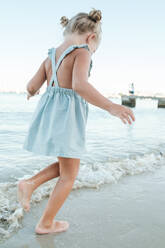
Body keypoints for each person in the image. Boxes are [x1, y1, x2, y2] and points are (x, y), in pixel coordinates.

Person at [17, 8, 135, 235]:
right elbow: (80, 86)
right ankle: (45, 222)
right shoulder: (82, 52)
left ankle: (30, 184)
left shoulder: (49, 56)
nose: (92, 52)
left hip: (49, 114)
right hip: (68, 116)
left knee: (67, 166)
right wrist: (112, 106)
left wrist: (31, 93)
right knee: (70, 174)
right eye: (95, 49)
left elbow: (32, 86)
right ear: (91, 38)